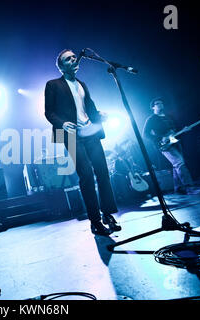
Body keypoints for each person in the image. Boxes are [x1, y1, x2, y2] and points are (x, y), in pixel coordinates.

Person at [44, 49, 121, 235]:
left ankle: (107, 214)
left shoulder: (82, 84)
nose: (73, 59)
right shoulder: (53, 85)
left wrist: (100, 114)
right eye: (67, 59)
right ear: (61, 67)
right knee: (86, 175)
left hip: (90, 132)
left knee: (103, 172)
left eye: (73, 57)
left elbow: (90, 108)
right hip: (70, 135)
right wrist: (63, 124)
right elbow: (49, 112)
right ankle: (95, 221)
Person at [142, 97, 200, 195]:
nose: (161, 104)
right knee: (179, 163)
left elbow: (176, 130)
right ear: (153, 107)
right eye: (158, 103)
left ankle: (178, 188)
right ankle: (190, 188)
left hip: (176, 142)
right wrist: (160, 138)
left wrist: (184, 130)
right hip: (165, 145)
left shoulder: (169, 117)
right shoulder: (151, 119)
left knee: (176, 165)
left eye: (161, 103)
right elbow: (145, 134)